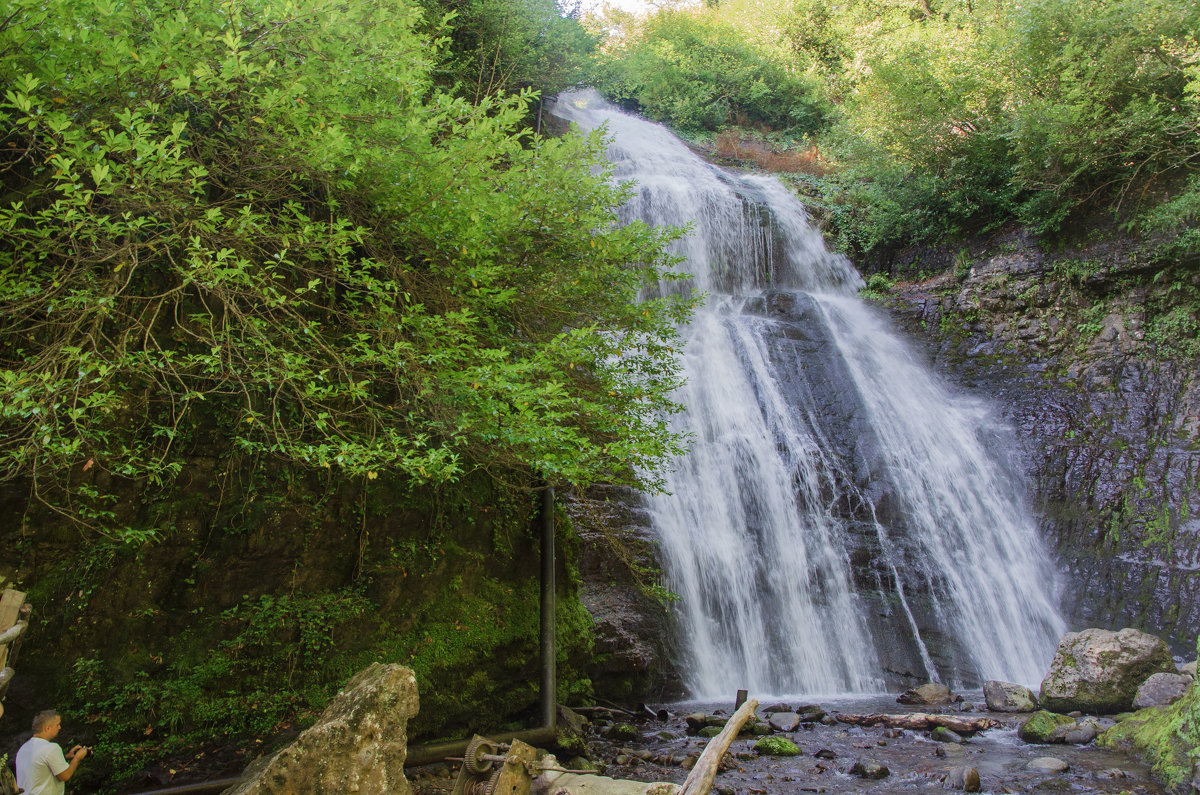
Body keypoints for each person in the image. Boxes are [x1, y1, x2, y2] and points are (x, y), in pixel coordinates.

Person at [14, 711, 87, 795]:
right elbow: (65, 776)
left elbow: (39, 765)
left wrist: (66, 757)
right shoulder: (51, 748)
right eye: (57, 724)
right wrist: (77, 758)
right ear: (47, 728)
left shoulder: (23, 748)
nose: (60, 727)